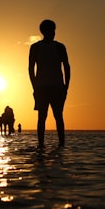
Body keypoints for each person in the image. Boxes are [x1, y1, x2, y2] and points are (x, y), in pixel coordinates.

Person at [29, 19, 70, 148]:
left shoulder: (58, 47)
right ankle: (49, 145)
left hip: (51, 87)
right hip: (49, 87)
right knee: (50, 116)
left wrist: (65, 87)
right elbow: (31, 68)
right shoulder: (38, 47)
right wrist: (65, 87)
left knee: (49, 117)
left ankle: (54, 144)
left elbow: (67, 67)